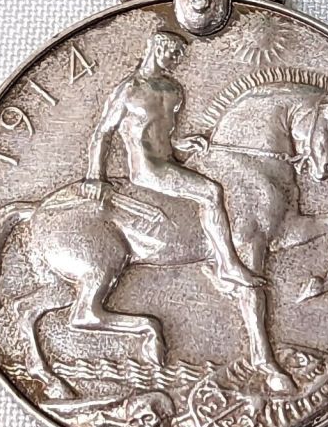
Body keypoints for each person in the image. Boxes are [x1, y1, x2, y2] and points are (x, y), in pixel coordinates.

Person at [81, 30, 261, 289]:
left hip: (169, 163)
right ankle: (228, 266)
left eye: (179, 55)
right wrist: (95, 175)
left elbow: (163, 135)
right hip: (147, 170)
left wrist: (183, 143)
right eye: (173, 53)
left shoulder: (173, 90)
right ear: (157, 49)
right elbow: (103, 133)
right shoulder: (129, 90)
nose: (177, 60)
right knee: (211, 192)